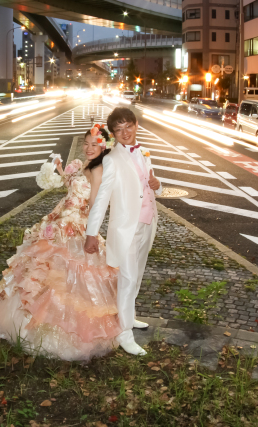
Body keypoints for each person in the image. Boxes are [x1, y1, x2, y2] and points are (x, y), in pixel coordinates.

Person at [0, 125, 121, 361]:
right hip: (60, 219)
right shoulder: (87, 165)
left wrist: (89, 233)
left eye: (95, 144)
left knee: (69, 277)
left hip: (76, 226)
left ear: (104, 147)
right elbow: (72, 186)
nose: (89, 148)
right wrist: (60, 169)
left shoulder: (98, 169)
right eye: (86, 143)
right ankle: (32, 326)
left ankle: (65, 337)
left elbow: (96, 205)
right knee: (46, 272)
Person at [84, 107, 162, 356]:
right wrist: (91, 233)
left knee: (137, 275)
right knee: (127, 281)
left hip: (147, 224)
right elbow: (102, 198)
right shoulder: (112, 159)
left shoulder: (145, 152)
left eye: (128, 126)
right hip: (126, 228)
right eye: (118, 130)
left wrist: (158, 185)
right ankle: (124, 333)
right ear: (114, 134)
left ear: (136, 125)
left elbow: (152, 184)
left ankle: (130, 315)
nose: (124, 132)